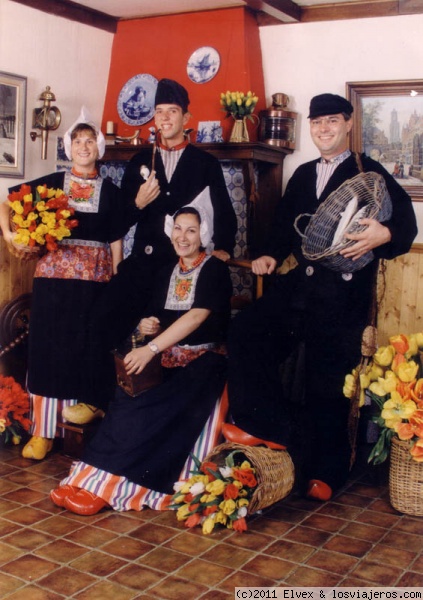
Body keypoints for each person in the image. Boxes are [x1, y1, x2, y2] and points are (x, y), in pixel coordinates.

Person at [225, 93, 418, 501]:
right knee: (247, 331)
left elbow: (405, 224)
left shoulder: (370, 170)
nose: (324, 129)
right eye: (317, 123)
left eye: (332, 121)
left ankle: (326, 472)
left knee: (328, 379)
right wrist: (269, 256)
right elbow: (282, 227)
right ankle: (267, 429)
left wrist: (384, 233)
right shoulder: (303, 173)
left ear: (349, 124)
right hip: (302, 288)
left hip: (345, 293)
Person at [63, 78, 237, 425]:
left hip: (180, 267)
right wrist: (138, 203)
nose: (165, 119)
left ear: (186, 118)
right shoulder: (141, 160)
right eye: (159, 113)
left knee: (160, 327)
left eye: (172, 112)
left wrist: (225, 251)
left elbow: (225, 214)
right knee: (102, 315)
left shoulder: (205, 163)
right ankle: (95, 400)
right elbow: (118, 222)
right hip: (143, 262)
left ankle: (149, 408)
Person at [49, 205, 232, 515]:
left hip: (204, 362)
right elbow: (157, 316)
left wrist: (150, 349)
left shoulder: (215, 269)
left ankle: (113, 488)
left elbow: (197, 316)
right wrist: (146, 325)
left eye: (191, 230)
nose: (183, 237)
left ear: (204, 234)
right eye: (178, 228)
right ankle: (89, 478)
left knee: (151, 406)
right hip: (166, 357)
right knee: (126, 399)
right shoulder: (167, 271)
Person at [0, 108, 128, 460]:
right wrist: (11, 237)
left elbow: (116, 239)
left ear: (99, 149)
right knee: (47, 349)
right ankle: (42, 432)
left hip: (95, 282)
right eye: (77, 141)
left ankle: (73, 432)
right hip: (53, 281)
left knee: (84, 349)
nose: (83, 146)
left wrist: (117, 275)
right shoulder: (52, 184)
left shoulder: (113, 193)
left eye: (90, 141)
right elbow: (7, 202)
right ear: (68, 147)